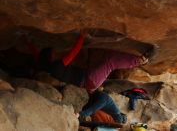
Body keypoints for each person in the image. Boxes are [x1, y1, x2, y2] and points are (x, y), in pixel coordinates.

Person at [23, 31, 155, 92]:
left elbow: (37, 55)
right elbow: (73, 53)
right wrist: (81, 37)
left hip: (89, 79)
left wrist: (28, 42)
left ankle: (137, 60)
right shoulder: (57, 66)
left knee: (103, 57)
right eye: (52, 53)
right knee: (111, 61)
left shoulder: (47, 65)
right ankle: (141, 60)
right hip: (91, 80)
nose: (55, 52)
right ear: (50, 58)